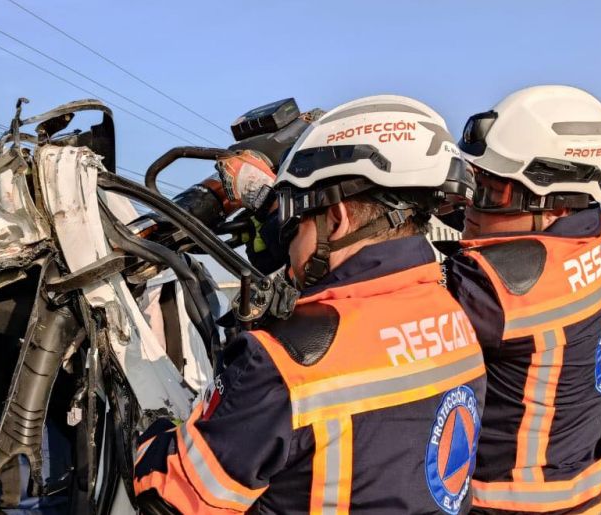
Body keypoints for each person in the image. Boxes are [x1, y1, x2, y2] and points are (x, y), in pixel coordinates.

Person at [134, 95, 487, 514]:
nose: (289, 244)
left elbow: (176, 499)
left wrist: (150, 435)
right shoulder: (453, 314)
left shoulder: (287, 361)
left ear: (336, 219)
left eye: (293, 218)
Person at [444, 85, 601, 513]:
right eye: (475, 185)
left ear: (556, 205)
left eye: (493, 195)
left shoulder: (495, 286)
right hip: (599, 496)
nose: (471, 209)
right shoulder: (596, 232)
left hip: (519, 504)